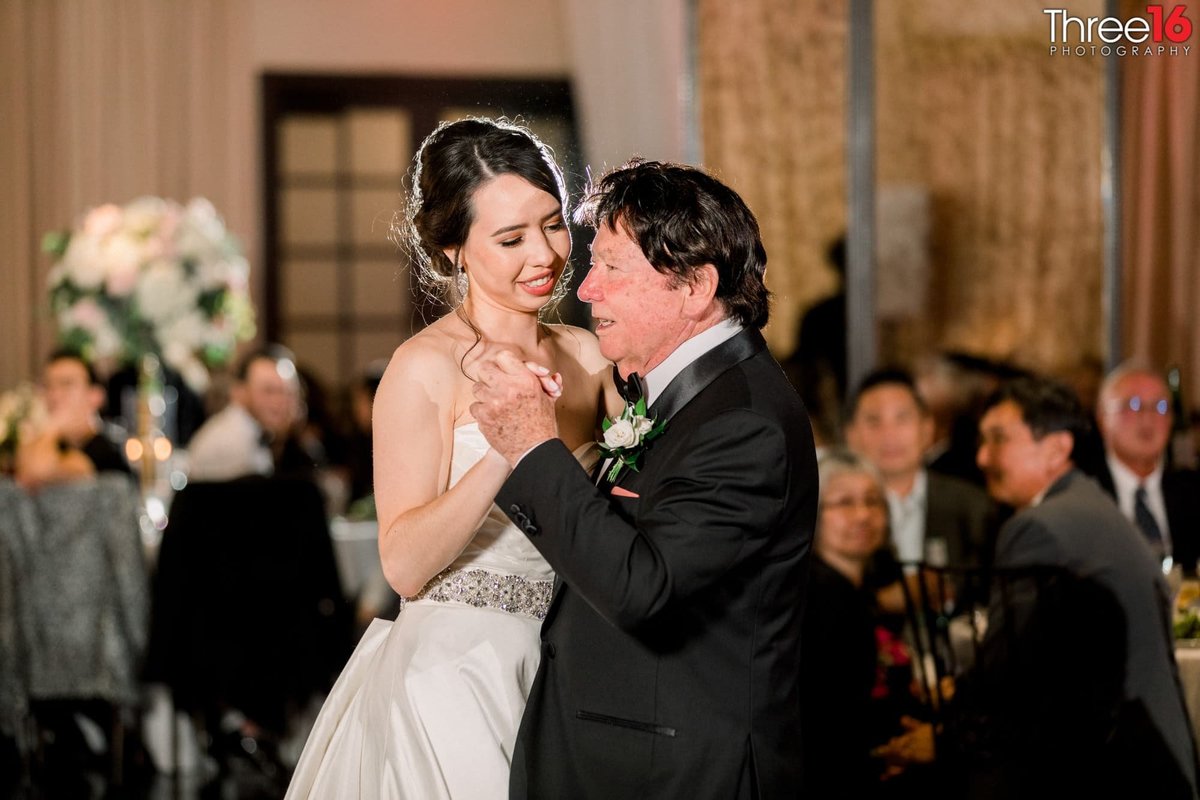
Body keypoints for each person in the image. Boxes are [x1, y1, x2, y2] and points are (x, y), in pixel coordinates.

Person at [285, 118, 612, 799]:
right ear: (453, 249)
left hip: (571, 664)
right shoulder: (423, 369)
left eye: (553, 224)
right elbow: (402, 565)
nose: (545, 255)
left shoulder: (587, 356)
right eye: (510, 238)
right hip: (454, 676)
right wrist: (506, 447)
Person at [471, 160, 817, 798]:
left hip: (678, 773)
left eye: (612, 268)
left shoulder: (744, 422)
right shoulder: (681, 395)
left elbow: (641, 589)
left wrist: (533, 445)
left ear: (694, 286)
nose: (586, 290)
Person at [881, 374, 1199, 797]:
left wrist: (945, 737)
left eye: (998, 439)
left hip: (1116, 765)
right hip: (1153, 761)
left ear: (1057, 448)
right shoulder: (1085, 501)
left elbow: (1008, 667)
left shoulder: (1039, 525)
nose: (981, 458)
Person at [843, 367, 997, 611]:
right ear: (851, 435)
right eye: (874, 421)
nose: (889, 435)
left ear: (927, 430)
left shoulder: (975, 507)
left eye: (902, 418)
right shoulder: (834, 512)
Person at [800, 448, 890, 797]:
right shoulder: (817, 595)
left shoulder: (857, 590)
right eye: (845, 503)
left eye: (873, 501)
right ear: (815, 513)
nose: (863, 515)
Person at [1089, 361, 1200, 572]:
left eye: (1160, 407)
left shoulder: (1192, 492)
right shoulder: (1082, 494)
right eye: (1133, 405)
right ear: (1102, 417)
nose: (1147, 419)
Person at [15, 349, 131, 489]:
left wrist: (52, 426)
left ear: (95, 396)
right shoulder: (54, 445)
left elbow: (37, 472)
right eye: (48, 386)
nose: (54, 395)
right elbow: (23, 476)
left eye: (66, 384)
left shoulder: (103, 451)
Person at [185, 344, 302, 481]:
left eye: (289, 393)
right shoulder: (232, 441)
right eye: (269, 391)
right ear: (239, 392)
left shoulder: (255, 433)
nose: (281, 402)